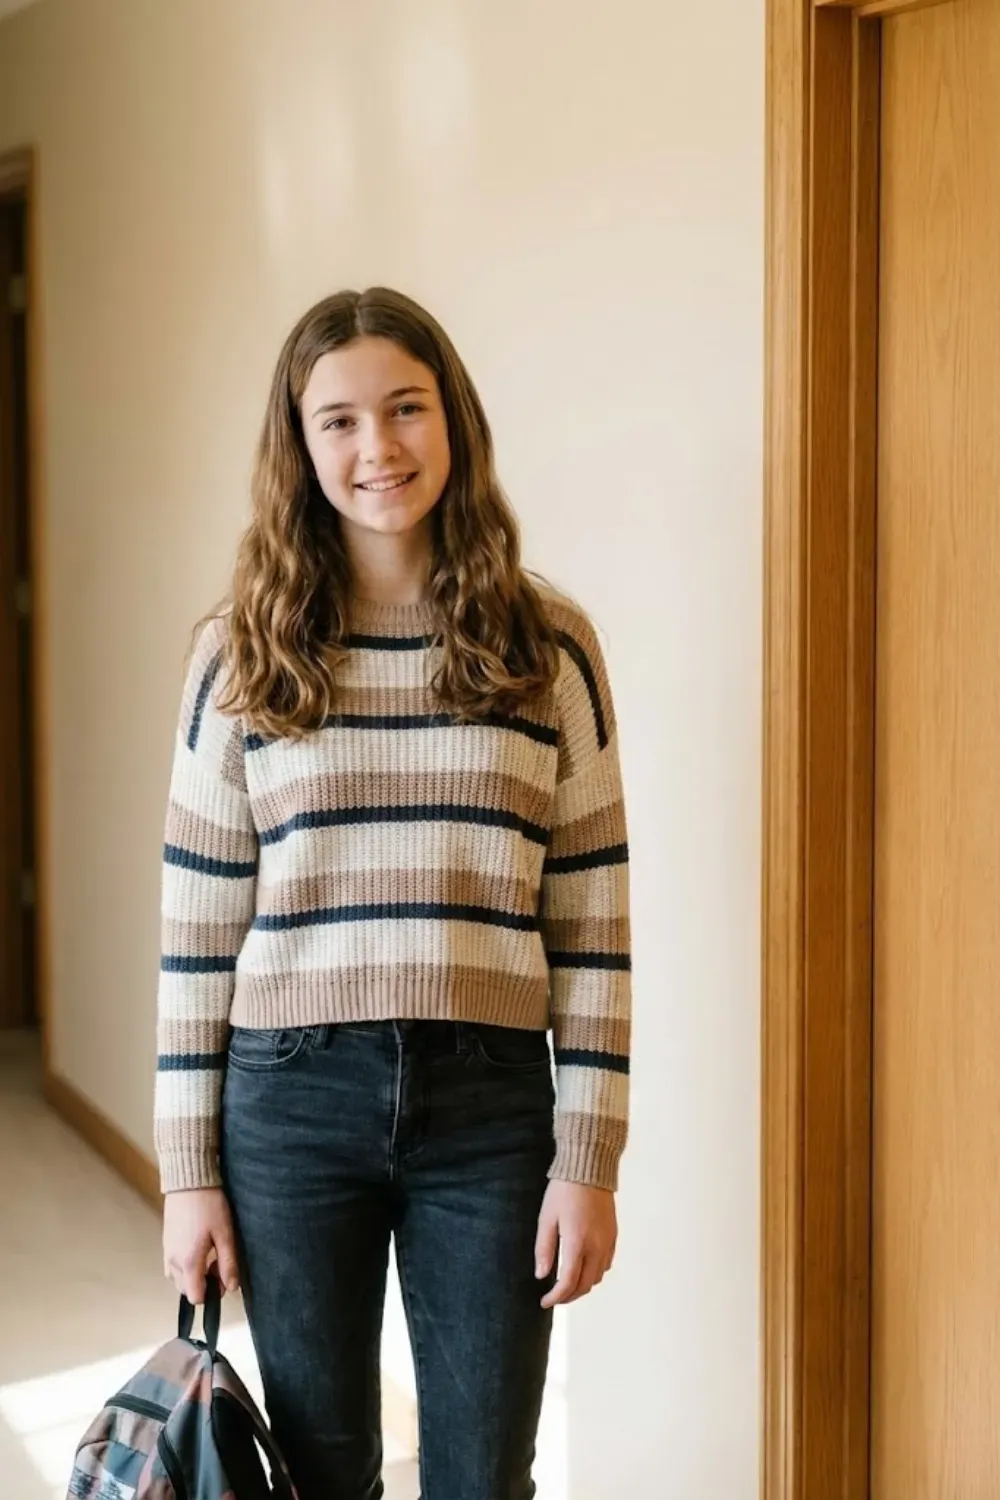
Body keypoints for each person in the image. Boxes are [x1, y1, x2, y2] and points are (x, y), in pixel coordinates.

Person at [154, 286, 631, 1500]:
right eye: (340, 422)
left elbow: (591, 915)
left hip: (491, 1111)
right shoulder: (242, 653)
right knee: (320, 1470)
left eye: (406, 408)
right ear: (299, 446)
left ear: (452, 419)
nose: (378, 449)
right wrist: (186, 1172)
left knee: (483, 1472)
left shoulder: (547, 645)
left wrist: (589, 1158)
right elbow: (198, 925)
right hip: (289, 1102)